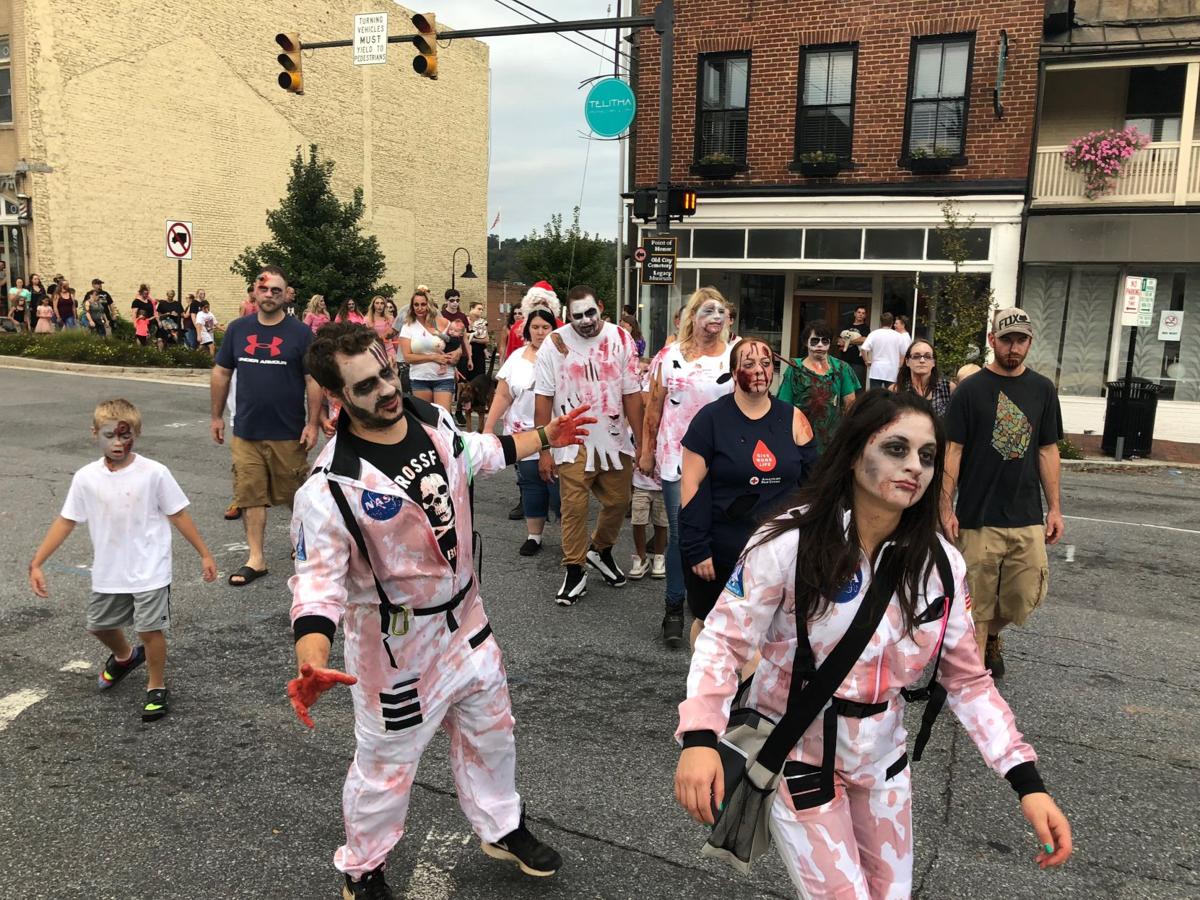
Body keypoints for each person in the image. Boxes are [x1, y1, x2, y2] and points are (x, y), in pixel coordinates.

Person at [674, 390, 1073, 898]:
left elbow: (968, 680)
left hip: (885, 765)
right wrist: (700, 737)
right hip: (800, 758)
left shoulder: (941, 566)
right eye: (897, 449)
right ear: (856, 450)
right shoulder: (785, 543)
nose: (915, 467)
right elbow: (723, 642)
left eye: (928, 456)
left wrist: (1027, 783)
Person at [288, 323, 586, 897]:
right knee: (385, 768)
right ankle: (363, 869)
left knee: (493, 732)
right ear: (337, 398)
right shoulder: (330, 488)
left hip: (467, 626)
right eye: (366, 385)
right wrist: (312, 659)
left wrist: (545, 434)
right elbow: (317, 588)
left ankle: (500, 826)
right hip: (396, 652)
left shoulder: (433, 419)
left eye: (385, 371)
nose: (385, 389)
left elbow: (478, 453)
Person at [29, 399, 217, 722]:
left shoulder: (154, 473)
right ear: (94, 434)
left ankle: (156, 686)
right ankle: (125, 656)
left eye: (125, 436)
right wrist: (37, 562)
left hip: (150, 568)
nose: (117, 443)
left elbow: (178, 514)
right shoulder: (86, 477)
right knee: (99, 624)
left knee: (149, 630)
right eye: (109, 436)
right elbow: (66, 520)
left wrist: (205, 553)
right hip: (109, 569)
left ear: (136, 434)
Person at [941, 308, 1064, 678]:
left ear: (1030, 342)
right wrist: (946, 506)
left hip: (1026, 514)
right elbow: (954, 450)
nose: (1014, 348)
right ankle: (975, 688)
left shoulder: (1042, 389)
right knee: (976, 606)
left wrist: (1055, 508)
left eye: (1021, 340)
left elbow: (1047, 450)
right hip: (979, 515)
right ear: (992, 340)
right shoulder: (970, 390)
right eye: (1007, 339)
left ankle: (994, 633)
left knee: (1021, 598)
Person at [680, 338, 816, 646]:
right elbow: (691, 487)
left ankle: (754, 692)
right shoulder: (709, 420)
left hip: (781, 552)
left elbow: (814, 483)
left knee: (773, 632)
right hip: (724, 550)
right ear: (733, 371)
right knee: (712, 626)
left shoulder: (794, 418)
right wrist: (698, 548)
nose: (759, 371)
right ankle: (708, 688)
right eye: (749, 364)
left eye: (766, 364)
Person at [210, 265, 322, 587]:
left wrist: (313, 423)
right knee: (250, 495)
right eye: (264, 289)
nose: (270, 295)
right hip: (246, 430)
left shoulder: (300, 333)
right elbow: (221, 373)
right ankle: (256, 559)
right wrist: (217, 416)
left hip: (288, 431)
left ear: (286, 295)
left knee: (295, 496)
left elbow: (312, 379)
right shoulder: (238, 329)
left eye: (276, 290)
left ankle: (303, 544)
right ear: (254, 292)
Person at [533, 286, 643, 604]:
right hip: (572, 439)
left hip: (613, 438)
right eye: (577, 315)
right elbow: (543, 398)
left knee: (619, 502)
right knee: (574, 508)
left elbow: (632, 394)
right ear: (569, 316)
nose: (585, 321)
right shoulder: (554, 344)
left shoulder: (621, 339)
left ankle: (601, 549)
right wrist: (545, 449)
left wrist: (643, 444)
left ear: (601, 307)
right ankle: (574, 568)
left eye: (590, 313)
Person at [640, 287, 736, 646]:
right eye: (707, 311)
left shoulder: (733, 357)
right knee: (682, 535)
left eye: (721, 312)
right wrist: (647, 450)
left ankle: (711, 610)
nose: (715, 318)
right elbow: (654, 406)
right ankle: (674, 608)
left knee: (722, 535)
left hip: (722, 460)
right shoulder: (668, 356)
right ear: (691, 316)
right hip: (675, 458)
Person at [484, 308, 561, 557]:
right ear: (528, 329)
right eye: (535, 327)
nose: (540, 332)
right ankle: (534, 536)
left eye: (545, 327)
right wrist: (488, 427)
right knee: (530, 484)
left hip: (557, 433)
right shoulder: (516, 357)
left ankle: (571, 538)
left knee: (559, 490)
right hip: (522, 434)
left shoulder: (564, 356)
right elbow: (504, 394)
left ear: (553, 329)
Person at [777, 321, 860, 455]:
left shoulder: (841, 368)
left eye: (825, 341)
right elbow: (784, 404)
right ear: (806, 342)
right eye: (815, 341)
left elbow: (850, 404)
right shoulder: (794, 368)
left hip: (832, 439)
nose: (820, 345)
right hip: (801, 436)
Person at [400, 291, 459, 412]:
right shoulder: (408, 327)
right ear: (412, 306)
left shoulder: (444, 322)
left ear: (429, 305)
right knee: (425, 420)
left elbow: (456, 344)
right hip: (420, 378)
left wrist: (457, 353)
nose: (420, 308)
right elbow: (407, 357)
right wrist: (433, 357)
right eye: (416, 305)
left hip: (444, 377)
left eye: (423, 304)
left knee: (443, 419)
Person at [893, 339, 953, 416]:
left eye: (927, 356)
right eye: (916, 356)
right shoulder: (896, 389)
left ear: (934, 362)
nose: (922, 360)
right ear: (907, 361)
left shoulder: (948, 388)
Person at [861, 312, 911, 389]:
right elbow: (904, 353)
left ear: (881, 322)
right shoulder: (898, 336)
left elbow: (863, 349)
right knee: (891, 396)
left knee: (875, 396)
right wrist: (900, 366)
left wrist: (866, 361)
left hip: (876, 370)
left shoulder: (874, 333)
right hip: (892, 371)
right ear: (892, 322)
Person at [838, 305, 869, 389]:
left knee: (855, 385)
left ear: (865, 316)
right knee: (843, 384)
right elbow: (840, 340)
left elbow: (863, 340)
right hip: (844, 360)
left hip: (858, 362)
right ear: (855, 314)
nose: (860, 314)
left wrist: (848, 342)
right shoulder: (846, 326)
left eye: (863, 313)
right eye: (859, 312)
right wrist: (842, 342)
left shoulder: (865, 328)